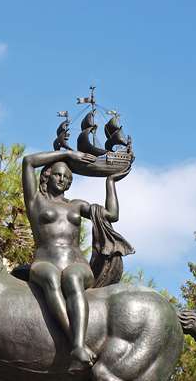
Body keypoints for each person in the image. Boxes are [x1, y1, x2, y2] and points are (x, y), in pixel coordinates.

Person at [21, 150, 130, 368]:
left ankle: (78, 344)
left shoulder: (76, 205)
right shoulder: (35, 200)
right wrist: (69, 154)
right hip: (45, 262)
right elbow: (28, 161)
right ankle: (76, 342)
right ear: (47, 176)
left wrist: (110, 181)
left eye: (68, 178)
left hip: (76, 263)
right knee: (51, 277)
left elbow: (112, 214)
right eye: (59, 175)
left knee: (71, 278)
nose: (63, 180)